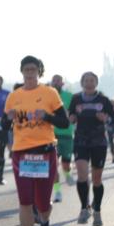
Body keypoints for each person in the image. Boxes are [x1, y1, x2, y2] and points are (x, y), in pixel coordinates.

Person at [4, 56, 70, 226]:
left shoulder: (49, 93)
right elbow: (5, 125)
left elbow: (64, 122)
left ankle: (45, 221)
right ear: (22, 72)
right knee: (25, 201)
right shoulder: (14, 96)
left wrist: (47, 117)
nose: (30, 73)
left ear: (39, 72)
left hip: (45, 152)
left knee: (43, 202)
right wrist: (8, 119)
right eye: (26, 69)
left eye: (33, 69)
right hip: (22, 153)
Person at [69, 72, 114, 226]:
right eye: (86, 81)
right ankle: (84, 208)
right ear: (82, 83)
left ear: (96, 83)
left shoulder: (103, 100)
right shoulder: (76, 99)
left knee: (96, 179)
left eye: (92, 81)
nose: (89, 83)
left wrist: (106, 118)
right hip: (81, 140)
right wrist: (72, 118)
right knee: (82, 175)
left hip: (98, 142)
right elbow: (71, 116)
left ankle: (97, 210)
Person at [50, 74, 75, 202]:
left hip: (67, 133)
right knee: (54, 166)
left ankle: (68, 173)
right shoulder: (47, 96)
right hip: (52, 135)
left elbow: (74, 113)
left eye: (58, 81)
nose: (56, 83)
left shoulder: (69, 96)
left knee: (66, 164)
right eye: (54, 80)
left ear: (62, 83)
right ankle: (57, 191)